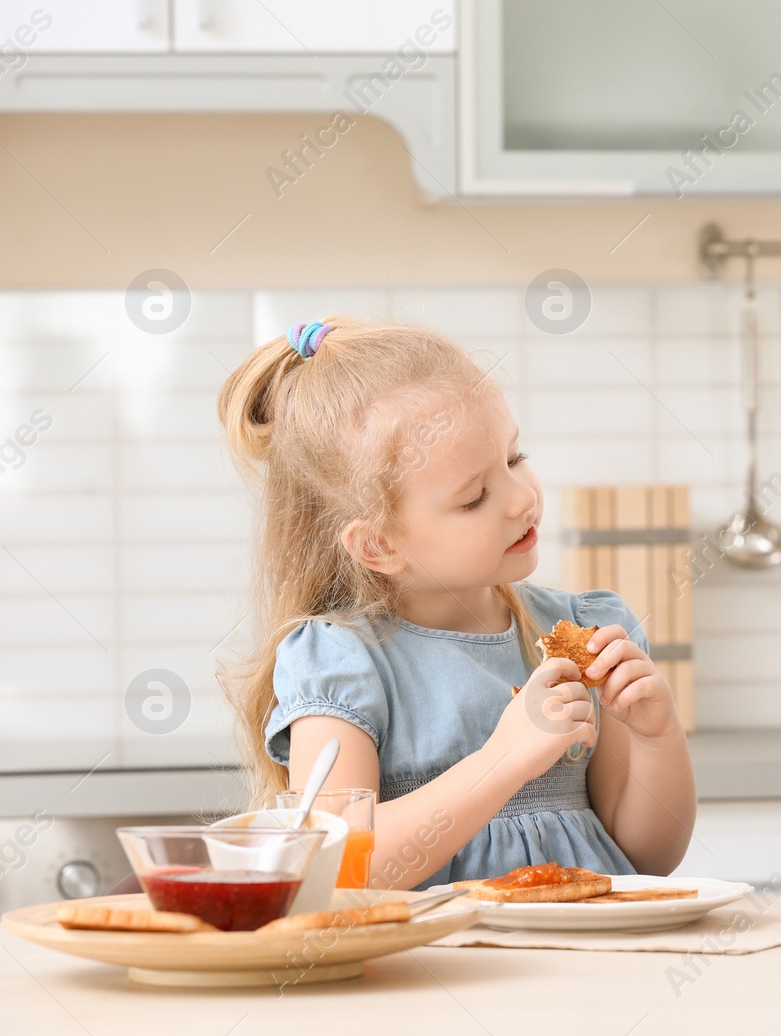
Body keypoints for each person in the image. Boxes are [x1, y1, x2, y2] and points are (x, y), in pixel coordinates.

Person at [217, 318, 695, 889]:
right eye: (474, 498)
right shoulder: (343, 662)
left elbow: (649, 857)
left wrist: (656, 735)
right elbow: (343, 869)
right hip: (437, 971)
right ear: (379, 544)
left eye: (516, 459)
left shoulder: (587, 628)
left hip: (588, 967)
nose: (523, 498)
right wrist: (505, 758)